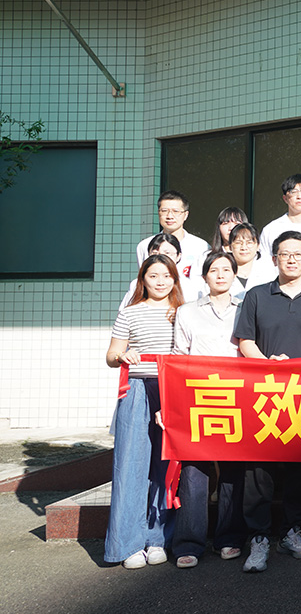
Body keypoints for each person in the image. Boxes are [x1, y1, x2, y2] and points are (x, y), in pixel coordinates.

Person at [233, 230, 301, 573]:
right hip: (263, 391)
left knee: (300, 465)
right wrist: (267, 364)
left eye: (298, 254)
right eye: (285, 254)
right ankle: (258, 537)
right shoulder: (257, 295)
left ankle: (292, 532)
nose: (292, 259)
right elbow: (245, 341)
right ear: (274, 258)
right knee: (258, 468)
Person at [103, 253, 185, 569]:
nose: (160, 282)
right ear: (143, 280)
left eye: (166, 275)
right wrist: (123, 355)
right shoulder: (129, 312)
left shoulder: (183, 312)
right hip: (136, 390)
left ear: (175, 279)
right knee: (131, 465)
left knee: (167, 466)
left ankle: (159, 539)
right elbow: (111, 355)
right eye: (153, 276)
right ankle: (129, 543)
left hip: (172, 391)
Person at [171, 250, 246, 569]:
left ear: (235, 275)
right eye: (214, 270)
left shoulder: (246, 308)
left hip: (236, 396)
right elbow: (178, 356)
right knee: (194, 471)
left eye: (226, 269)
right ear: (204, 277)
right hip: (197, 396)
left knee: (233, 470)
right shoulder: (187, 312)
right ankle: (189, 542)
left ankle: (229, 537)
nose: (220, 275)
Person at [136, 190, 210, 280]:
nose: (170, 216)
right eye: (164, 211)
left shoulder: (201, 247)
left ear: (185, 215)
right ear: (158, 213)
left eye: (176, 211)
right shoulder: (145, 245)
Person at [258, 174, 301, 265]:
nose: (299, 196)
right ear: (285, 198)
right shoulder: (271, 229)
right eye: (293, 192)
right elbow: (264, 263)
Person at [120, 232, 202, 308]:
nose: (161, 257)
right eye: (155, 253)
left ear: (178, 256)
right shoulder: (136, 284)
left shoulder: (190, 286)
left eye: (167, 253)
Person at [227, 223, 274, 299]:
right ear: (230, 246)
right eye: (238, 243)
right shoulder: (222, 272)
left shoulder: (269, 272)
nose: (244, 247)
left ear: (258, 246)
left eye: (249, 243)